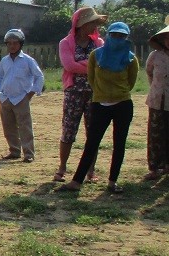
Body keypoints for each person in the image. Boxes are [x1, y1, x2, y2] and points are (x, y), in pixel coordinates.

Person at [59, 21, 140, 194]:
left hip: (123, 104)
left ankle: (112, 182)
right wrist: (101, 95)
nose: (117, 39)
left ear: (127, 38)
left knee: (119, 143)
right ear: (108, 35)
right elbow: (92, 78)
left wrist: (118, 94)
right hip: (100, 104)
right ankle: (76, 181)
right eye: (114, 35)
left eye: (122, 36)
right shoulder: (96, 56)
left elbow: (131, 82)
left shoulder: (131, 59)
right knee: (92, 143)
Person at [54, 7, 107, 182]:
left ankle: (90, 171)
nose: (94, 26)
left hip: (95, 92)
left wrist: (82, 64)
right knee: (68, 130)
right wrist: (91, 65)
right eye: (92, 22)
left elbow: (103, 65)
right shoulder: (66, 43)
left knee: (93, 132)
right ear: (82, 25)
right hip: (73, 92)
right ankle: (62, 168)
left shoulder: (99, 43)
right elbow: (69, 66)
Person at [0, 28, 45, 162]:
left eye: (15, 43)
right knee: (8, 127)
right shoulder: (4, 61)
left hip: (21, 98)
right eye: (9, 43)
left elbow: (39, 76)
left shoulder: (27, 60)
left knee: (25, 127)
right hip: (5, 98)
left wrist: (31, 93)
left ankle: (29, 154)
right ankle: (14, 151)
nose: (12, 46)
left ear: (20, 44)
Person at [142, 15, 169, 181]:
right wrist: (156, 88)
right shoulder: (155, 56)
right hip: (156, 99)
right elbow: (149, 73)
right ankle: (154, 167)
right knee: (155, 133)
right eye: (167, 38)